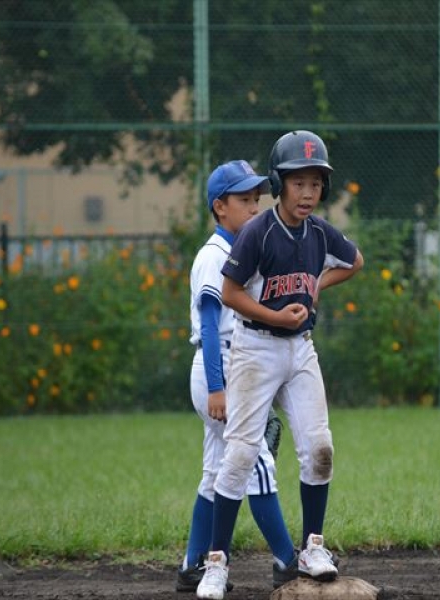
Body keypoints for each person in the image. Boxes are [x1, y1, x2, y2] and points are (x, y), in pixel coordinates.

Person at [196, 131, 364, 600]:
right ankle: (216, 563)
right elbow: (230, 294)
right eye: (298, 182)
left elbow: (355, 261)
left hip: (300, 349)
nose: (308, 193)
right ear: (279, 184)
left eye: (316, 183)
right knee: (240, 455)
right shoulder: (259, 232)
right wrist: (276, 316)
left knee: (320, 448)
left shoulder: (319, 232)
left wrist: (316, 285)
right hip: (256, 349)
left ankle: (313, 547)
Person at [177, 160, 296, 594]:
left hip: (235, 365)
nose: (254, 207)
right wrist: (217, 388)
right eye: (244, 199)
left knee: (217, 473)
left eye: (256, 199)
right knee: (256, 461)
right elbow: (210, 328)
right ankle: (288, 560)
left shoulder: (242, 251)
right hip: (220, 367)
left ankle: (192, 565)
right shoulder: (214, 256)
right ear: (219, 207)